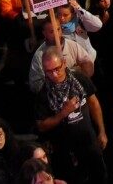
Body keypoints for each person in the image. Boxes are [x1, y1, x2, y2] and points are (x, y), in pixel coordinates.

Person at [35, 47, 107, 184]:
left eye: (57, 68)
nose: (54, 74)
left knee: (99, 177)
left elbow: (94, 103)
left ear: (64, 63)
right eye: (49, 71)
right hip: (66, 152)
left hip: (89, 142)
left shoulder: (79, 78)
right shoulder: (44, 94)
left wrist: (102, 131)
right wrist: (62, 113)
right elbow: (41, 126)